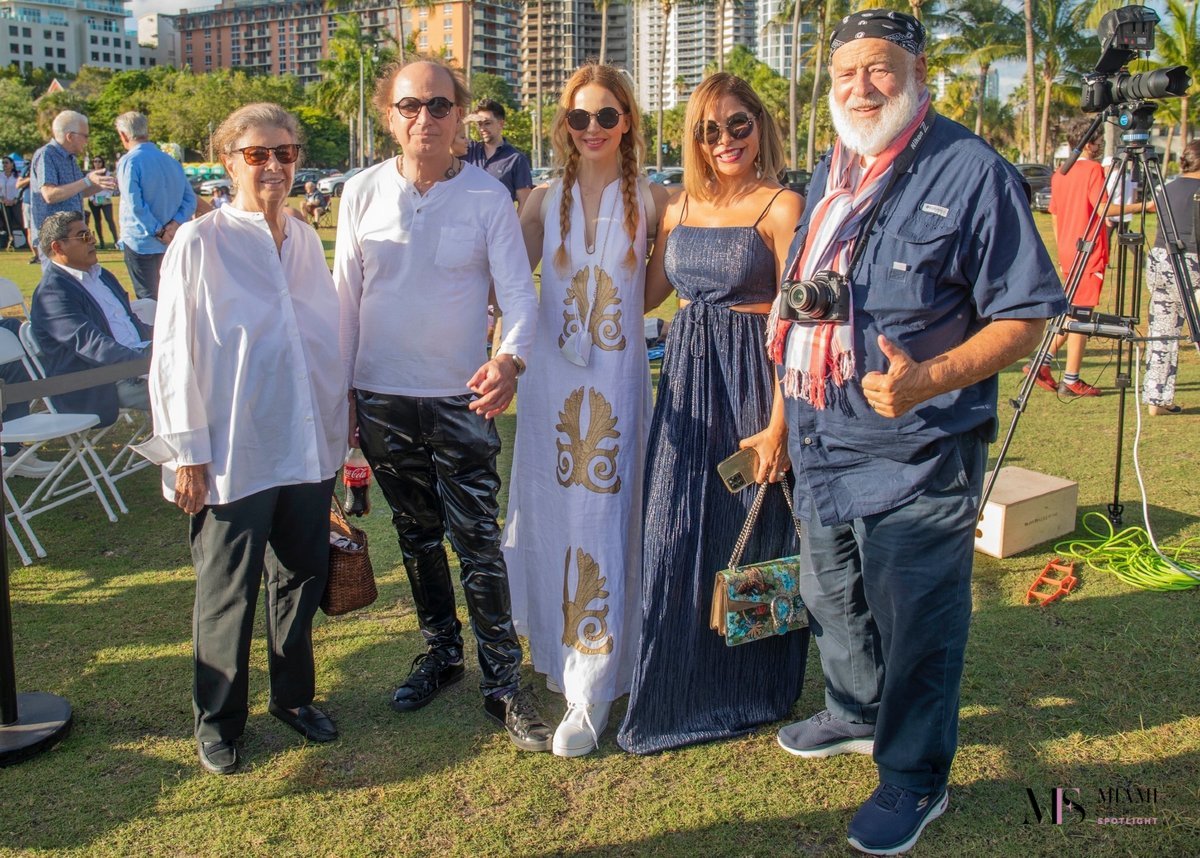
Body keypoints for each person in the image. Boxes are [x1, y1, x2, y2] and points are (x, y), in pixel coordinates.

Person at [767, 12, 1066, 855]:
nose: (860, 88)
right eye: (845, 73)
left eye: (880, 70)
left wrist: (927, 379)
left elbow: (1028, 315)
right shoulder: (836, 164)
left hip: (920, 441)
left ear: (918, 69)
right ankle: (856, 712)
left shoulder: (971, 170)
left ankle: (913, 778)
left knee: (918, 620)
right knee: (833, 595)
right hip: (825, 427)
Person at [334, 59, 549, 751]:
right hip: (382, 397)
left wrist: (510, 359)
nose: (424, 117)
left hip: (462, 400)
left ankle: (502, 680)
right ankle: (441, 653)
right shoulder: (360, 192)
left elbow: (519, 297)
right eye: (409, 106)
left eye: (438, 104)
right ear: (387, 115)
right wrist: (341, 396)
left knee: (477, 541)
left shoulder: (488, 199)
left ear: (459, 116)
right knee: (417, 536)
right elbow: (344, 306)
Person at [136, 103, 347, 776]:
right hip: (231, 451)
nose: (276, 166)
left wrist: (340, 438)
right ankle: (219, 720)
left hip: (306, 445)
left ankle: (293, 699)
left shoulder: (307, 241)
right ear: (227, 162)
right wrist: (187, 453)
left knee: (301, 582)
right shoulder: (200, 243)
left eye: (286, 153)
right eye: (258, 154)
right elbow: (172, 356)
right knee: (228, 591)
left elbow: (323, 344)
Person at [615, 72, 808, 755]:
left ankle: (752, 688)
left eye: (737, 124)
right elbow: (643, 296)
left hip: (756, 384)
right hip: (688, 386)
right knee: (673, 532)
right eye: (708, 129)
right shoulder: (682, 206)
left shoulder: (783, 206)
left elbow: (801, 326)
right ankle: (672, 686)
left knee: (752, 537)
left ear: (760, 125)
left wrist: (782, 426)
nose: (724, 139)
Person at [503, 64, 669, 757]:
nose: (594, 128)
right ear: (564, 126)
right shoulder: (545, 200)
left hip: (621, 383)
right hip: (551, 390)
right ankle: (564, 657)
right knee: (555, 514)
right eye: (580, 118)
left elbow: (652, 295)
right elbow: (508, 282)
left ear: (627, 120)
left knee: (608, 516)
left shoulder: (655, 202)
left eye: (606, 116)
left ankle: (596, 680)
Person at [29, 211, 152, 427]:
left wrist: (170, 338)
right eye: (83, 236)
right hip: (104, 380)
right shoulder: (52, 293)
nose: (93, 240)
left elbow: (130, 322)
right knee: (193, 387)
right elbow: (92, 345)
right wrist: (147, 364)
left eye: (90, 234)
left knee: (211, 363)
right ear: (58, 247)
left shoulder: (101, 275)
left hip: (138, 358)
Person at [1024, 135, 1108, 397]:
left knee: (1072, 312)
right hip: (1089, 249)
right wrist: (1146, 207)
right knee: (1081, 316)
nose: (1101, 145)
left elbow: (1055, 215)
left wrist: (1063, 249)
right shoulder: (1093, 169)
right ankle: (1071, 379)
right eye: (1099, 140)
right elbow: (1104, 207)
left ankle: (1042, 363)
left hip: (1069, 249)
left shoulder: (1062, 172)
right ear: (1089, 143)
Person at [1123, 139, 1200, 416]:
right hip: (1191, 261)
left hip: (1160, 260)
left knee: (1162, 331)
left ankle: (1157, 398)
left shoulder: (1165, 188)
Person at [115, 111, 197, 299]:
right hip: (169, 241)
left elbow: (134, 203)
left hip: (141, 241)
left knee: (148, 300)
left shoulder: (130, 161)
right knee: (170, 297)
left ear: (123, 135)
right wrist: (174, 225)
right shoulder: (170, 161)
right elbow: (190, 200)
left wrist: (158, 230)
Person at [30, 111, 117, 255]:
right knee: (60, 278)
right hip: (56, 240)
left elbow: (77, 192)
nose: (87, 140)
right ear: (70, 136)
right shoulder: (46, 154)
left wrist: (101, 184)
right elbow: (49, 195)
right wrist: (87, 180)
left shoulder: (70, 159)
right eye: (85, 136)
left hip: (73, 236)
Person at [464, 98, 534, 207]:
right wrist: (466, 120)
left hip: (500, 223)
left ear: (501, 124)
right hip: (468, 223)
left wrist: (513, 224)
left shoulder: (516, 159)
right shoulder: (469, 150)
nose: (482, 128)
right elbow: (446, 139)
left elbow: (525, 202)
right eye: (479, 124)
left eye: (487, 123)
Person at [86, 154, 118, 250]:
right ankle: (101, 242)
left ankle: (116, 241)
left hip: (105, 199)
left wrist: (104, 199)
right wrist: (93, 199)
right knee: (97, 221)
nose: (97, 163)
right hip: (93, 200)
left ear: (102, 163)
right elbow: (87, 188)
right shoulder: (90, 175)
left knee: (109, 220)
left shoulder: (107, 174)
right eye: (95, 161)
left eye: (99, 161)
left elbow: (111, 188)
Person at [0, 155, 23, 251]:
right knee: (7, 224)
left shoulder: (18, 175)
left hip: (16, 203)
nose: (4, 164)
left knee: (21, 222)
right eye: (3, 163)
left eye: (6, 162)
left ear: (12, 164)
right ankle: (10, 244)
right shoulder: (0, 175)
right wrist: (2, 198)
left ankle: (28, 243)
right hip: (4, 203)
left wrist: (14, 200)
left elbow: (21, 188)